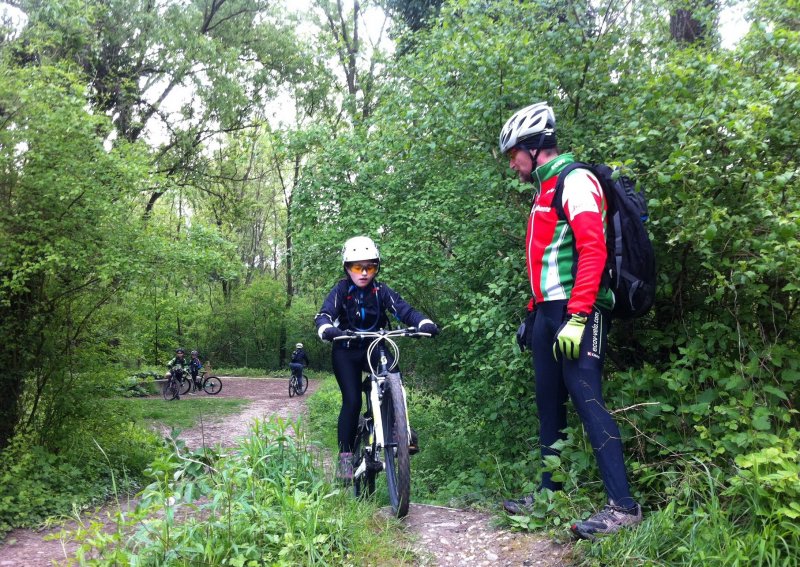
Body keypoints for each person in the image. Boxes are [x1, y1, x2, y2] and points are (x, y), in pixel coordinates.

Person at [499, 102, 642, 539]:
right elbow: (548, 262)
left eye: (514, 154)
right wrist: (533, 313)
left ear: (535, 147)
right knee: (548, 406)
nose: (512, 164)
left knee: (587, 400)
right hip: (548, 311)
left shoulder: (574, 180)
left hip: (578, 310)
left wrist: (578, 315)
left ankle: (624, 507)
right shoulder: (543, 191)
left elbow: (593, 250)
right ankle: (548, 494)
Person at [315, 236, 439, 482]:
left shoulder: (381, 291)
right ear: (347, 268)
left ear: (376, 268)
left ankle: (400, 429)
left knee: (394, 377)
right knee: (351, 402)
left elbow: (404, 310)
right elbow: (324, 314)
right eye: (356, 267)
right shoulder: (341, 290)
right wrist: (327, 329)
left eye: (369, 267)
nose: (363, 273)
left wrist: (422, 323)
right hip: (346, 349)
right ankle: (346, 461)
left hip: (375, 346)